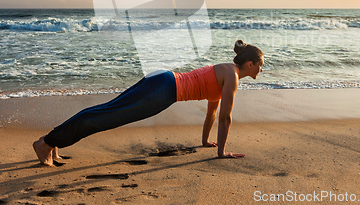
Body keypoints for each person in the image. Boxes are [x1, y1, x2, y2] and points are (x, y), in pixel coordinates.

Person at [33, 39, 264, 166]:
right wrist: (222, 153)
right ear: (250, 64)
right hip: (164, 90)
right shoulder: (232, 77)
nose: (262, 69)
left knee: (106, 112)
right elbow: (226, 117)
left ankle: (53, 143)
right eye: (260, 64)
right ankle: (46, 143)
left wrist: (206, 142)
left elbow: (213, 113)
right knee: (107, 116)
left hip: (163, 79)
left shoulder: (226, 72)